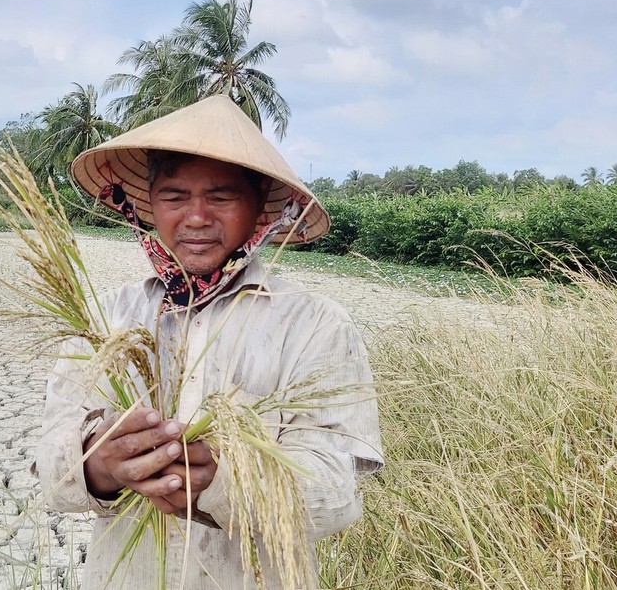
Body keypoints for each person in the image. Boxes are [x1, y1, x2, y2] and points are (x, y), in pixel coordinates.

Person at [37, 95, 383, 589]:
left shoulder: (317, 326)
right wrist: (99, 463)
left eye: (221, 197)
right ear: (149, 204)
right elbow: (50, 466)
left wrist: (221, 480)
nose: (196, 218)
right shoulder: (107, 317)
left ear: (261, 205)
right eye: (175, 197)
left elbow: (338, 497)